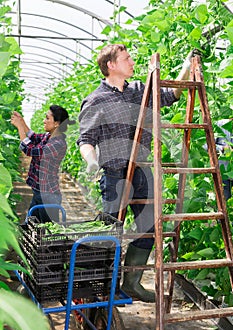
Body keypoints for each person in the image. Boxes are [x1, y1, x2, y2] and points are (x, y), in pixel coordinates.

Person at [76, 44, 192, 303]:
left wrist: (185, 68)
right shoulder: (96, 100)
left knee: (149, 225)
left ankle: (131, 283)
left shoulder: (140, 90)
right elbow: (86, 139)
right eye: (126, 58)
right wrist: (91, 161)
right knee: (111, 230)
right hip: (115, 173)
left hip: (142, 169)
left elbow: (172, 94)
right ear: (111, 65)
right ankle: (104, 283)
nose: (132, 61)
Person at [11, 105, 75, 223]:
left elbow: (30, 150)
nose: (44, 121)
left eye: (47, 118)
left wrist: (20, 127)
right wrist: (22, 121)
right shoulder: (48, 137)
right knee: (30, 225)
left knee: (48, 232)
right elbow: (33, 137)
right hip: (39, 191)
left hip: (48, 195)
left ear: (56, 124)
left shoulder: (58, 143)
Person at [215, 118, 233, 201]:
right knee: (224, 202)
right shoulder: (220, 125)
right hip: (223, 173)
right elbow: (206, 145)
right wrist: (222, 149)